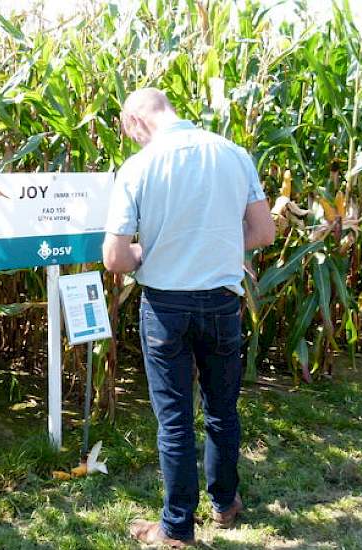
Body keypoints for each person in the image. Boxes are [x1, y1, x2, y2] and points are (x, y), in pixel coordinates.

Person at [102, 88, 275, 546]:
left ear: (135, 122)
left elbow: (116, 259)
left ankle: (177, 527)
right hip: (221, 301)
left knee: (175, 418)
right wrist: (210, 244)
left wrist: (154, 248)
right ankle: (226, 503)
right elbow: (263, 231)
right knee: (222, 409)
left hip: (166, 307)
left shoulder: (139, 167)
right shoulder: (234, 155)